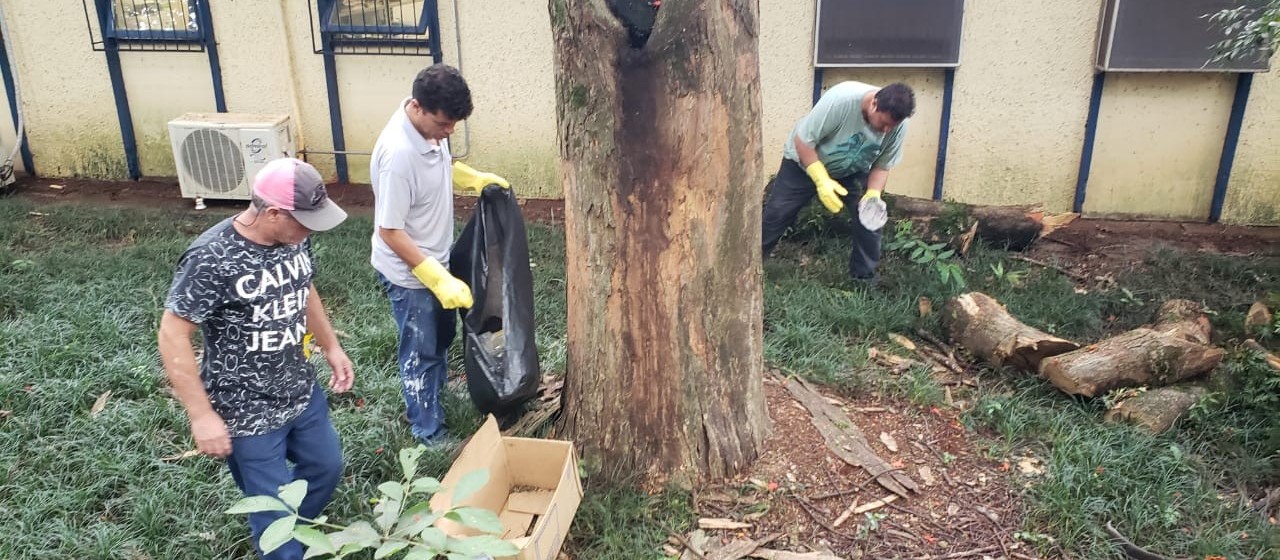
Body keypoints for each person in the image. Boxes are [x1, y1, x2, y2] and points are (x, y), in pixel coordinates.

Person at [157, 158, 354, 560]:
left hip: (299, 390)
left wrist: (331, 346)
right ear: (273, 213)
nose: (310, 231)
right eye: (304, 222)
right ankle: (283, 544)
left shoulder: (293, 238)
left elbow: (303, 287)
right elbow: (172, 334)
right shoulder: (211, 257)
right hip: (246, 410)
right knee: (274, 518)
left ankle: (294, 532)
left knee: (325, 468)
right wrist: (201, 415)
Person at [369, 63, 508, 445]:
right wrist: (435, 277)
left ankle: (434, 395)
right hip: (410, 274)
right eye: (445, 124)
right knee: (421, 350)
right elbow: (389, 230)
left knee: (441, 337)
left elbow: (439, 163)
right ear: (417, 107)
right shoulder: (398, 156)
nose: (450, 132)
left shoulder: (429, 131)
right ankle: (427, 429)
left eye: (454, 124)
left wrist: (471, 178)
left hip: (436, 261)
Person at [761, 81, 916, 283]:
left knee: (871, 217)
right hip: (804, 165)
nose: (886, 130)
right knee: (777, 214)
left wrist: (873, 194)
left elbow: (882, 166)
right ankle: (749, 267)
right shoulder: (840, 101)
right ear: (874, 104)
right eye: (883, 123)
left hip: (852, 170)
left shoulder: (897, 126)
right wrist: (821, 179)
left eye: (892, 126)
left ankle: (863, 278)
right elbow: (803, 141)